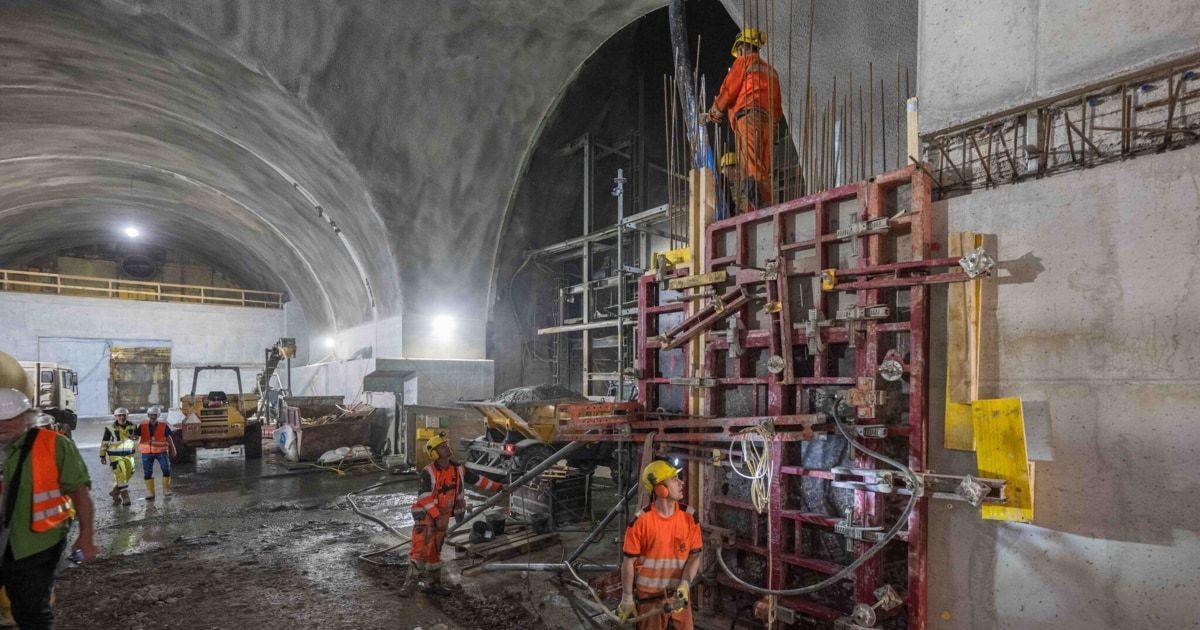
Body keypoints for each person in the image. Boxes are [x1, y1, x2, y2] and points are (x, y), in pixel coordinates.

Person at [0, 388, 97, 629]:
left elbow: (80, 495)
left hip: (38, 542)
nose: (3, 425)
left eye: (10, 419)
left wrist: (86, 537)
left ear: (27, 417)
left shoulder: (54, 445)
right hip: (8, 542)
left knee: (30, 609)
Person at [399, 433, 503, 597]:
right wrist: (436, 516)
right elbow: (424, 497)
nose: (447, 447)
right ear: (434, 453)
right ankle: (408, 587)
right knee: (421, 551)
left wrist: (499, 487)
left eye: (446, 445)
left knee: (435, 551)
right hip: (427, 515)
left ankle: (432, 585)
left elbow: (478, 480)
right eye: (442, 447)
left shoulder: (458, 468)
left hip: (443, 515)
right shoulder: (428, 472)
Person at [618, 460, 703, 629]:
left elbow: (695, 556)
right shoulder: (641, 522)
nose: (681, 483)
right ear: (660, 489)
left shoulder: (689, 517)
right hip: (650, 600)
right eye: (674, 479)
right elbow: (628, 562)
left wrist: (685, 584)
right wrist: (627, 597)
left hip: (679, 596)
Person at [708, 27, 783, 207]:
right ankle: (763, 204)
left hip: (748, 118)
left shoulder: (743, 62)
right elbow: (777, 107)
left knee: (751, 164)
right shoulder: (771, 71)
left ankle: (758, 205)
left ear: (743, 47)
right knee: (763, 166)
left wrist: (714, 112)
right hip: (768, 122)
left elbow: (728, 90)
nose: (739, 52)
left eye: (739, 48)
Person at [99, 407, 138, 506]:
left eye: (123, 415)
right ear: (115, 416)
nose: (121, 417)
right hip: (115, 456)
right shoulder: (110, 428)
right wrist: (102, 455)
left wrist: (135, 437)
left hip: (129, 455)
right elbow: (105, 442)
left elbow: (136, 437)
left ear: (127, 415)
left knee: (130, 473)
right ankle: (125, 496)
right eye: (119, 415)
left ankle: (115, 492)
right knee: (121, 474)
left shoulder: (133, 426)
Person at [136, 406, 176, 501]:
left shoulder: (163, 425)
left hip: (161, 452)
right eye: (151, 415)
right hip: (146, 452)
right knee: (147, 472)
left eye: (155, 415)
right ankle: (150, 492)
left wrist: (173, 448)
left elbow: (169, 437)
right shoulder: (142, 425)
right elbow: (136, 435)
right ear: (148, 415)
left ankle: (166, 489)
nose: (153, 416)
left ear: (158, 415)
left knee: (166, 470)